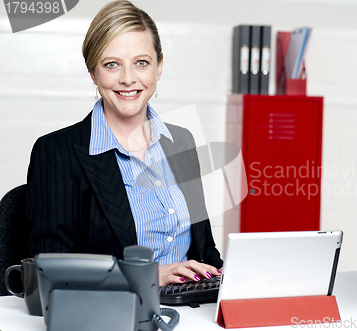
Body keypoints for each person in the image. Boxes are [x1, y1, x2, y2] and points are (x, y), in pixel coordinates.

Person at [25, 0, 222, 285]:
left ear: (159, 67)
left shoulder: (181, 141)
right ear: (93, 73)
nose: (128, 79)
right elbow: (52, 267)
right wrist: (145, 275)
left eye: (142, 63)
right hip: (112, 314)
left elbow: (205, 251)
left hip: (190, 308)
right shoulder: (57, 152)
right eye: (112, 64)